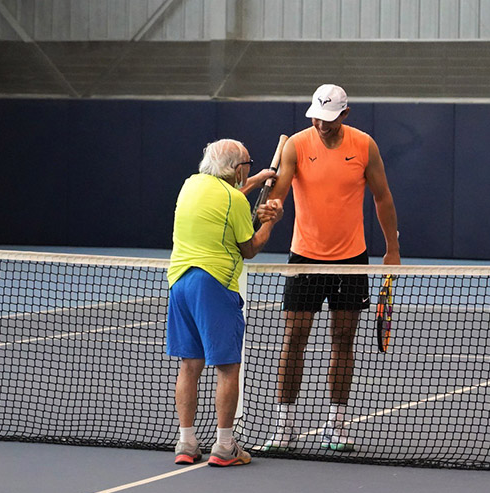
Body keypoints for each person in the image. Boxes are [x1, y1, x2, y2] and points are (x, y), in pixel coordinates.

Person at [258, 84, 400, 452]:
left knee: (343, 341)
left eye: (330, 119)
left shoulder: (364, 146)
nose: (322, 125)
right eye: (317, 117)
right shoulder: (297, 145)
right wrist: (269, 215)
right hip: (304, 256)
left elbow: (382, 197)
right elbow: (279, 193)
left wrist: (392, 248)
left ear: (345, 115)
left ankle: (336, 424)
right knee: (294, 339)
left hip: (351, 260)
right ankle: (284, 425)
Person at [167, 138, 283, 467]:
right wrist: (270, 221)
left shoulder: (191, 185)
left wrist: (258, 180)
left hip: (179, 282)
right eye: (246, 165)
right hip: (215, 284)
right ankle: (224, 446)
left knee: (190, 365)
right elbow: (249, 248)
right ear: (235, 169)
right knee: (228, 368)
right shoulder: (233, 198)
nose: (247, 169)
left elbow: (225, 198)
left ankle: (186, 443)